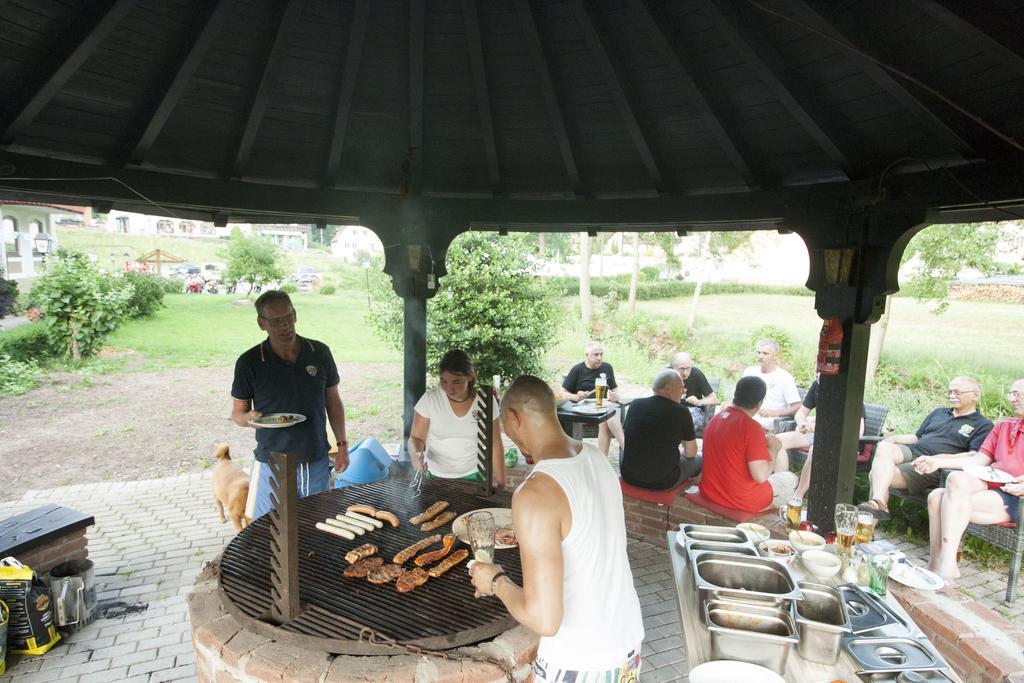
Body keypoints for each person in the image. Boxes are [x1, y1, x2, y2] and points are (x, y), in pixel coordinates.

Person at [470, 376, 644, 682]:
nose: (509, 435)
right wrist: (533, 529)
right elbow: (584, 526)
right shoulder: (595, 457)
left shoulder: (535, 492)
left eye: (506, 427)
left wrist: (493, 580)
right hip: (625, 650)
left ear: (514, 417)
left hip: (579, 661)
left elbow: (543, 619)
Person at [230, 290, 349, 519]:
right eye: (276, 321)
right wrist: (248, 419)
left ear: (295, 315)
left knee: (315, 523)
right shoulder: (250, 362)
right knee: (269, 526)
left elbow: (333, 401)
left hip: (315, 456)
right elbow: (237, 413)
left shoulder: (319, 352)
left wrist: (342, 445)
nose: (285, 326)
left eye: (288, 317)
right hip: (272, 460)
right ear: (261, 324)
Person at [926, 378, 1024, 582]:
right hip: (992, 482)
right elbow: (980, 460)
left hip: (1016, 494)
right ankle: (938, 565)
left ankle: (945, 565)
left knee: (938, 498)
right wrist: (938, 461)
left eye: (1017, 394)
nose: (1012, 399)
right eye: (1011, 394)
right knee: (953, 481)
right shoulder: (1004, 425)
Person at [859, 376, 993, 520]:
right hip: (913, 451)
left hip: (932, 465)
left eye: (957, 392)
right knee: (885, 447)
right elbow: (917, 437)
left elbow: (973, 455)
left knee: (876, 475)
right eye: (949, 392)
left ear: (975, 395)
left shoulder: (983, 425)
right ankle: (878, 501)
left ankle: (872, 519)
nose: (952, 396)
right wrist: (893, 439)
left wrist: (937, 460)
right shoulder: (939, 412)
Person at [700, 376, 798, 513]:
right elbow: (761, 476)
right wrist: (773, 449)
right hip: (742, 501)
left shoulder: (716, 419)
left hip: (711, 493)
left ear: (735, 395)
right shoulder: (752, 428)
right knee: (790, 478)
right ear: (759, 403)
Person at [408, 349, 504, 487]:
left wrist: (501, 483)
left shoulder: (485, 401)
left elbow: (495, 443)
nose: (449, 388)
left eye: (456, 382)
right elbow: (416, 438)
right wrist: (415, 454)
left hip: (474, 475)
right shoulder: (430, 399)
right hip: (435, 475)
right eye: (444, 381)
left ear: (470, 376)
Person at [775, 373, 865, 499]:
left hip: (839, 440)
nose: (818, 374)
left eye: (821, 371)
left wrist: (824, 428)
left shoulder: (849, 393)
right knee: (776, 441)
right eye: (816, 370)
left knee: (816, 449)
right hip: (816, 433)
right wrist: (803, 423)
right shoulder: (817, 385)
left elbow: (859, 431)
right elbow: (801, 412)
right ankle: (782, 486)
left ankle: (798, 496)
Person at [620, 369, 701, 490]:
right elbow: (691, 453)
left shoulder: (635, 405)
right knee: (700, 459)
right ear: (668, 388)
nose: (683, 393)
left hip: (629, 475)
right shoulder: (681, 412)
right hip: (663, 481)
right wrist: (680, 454)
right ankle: (691, 501)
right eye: (681, 388)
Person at [560, 341, 625, 456]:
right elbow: (562, 393)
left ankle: (604, 460)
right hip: (584, 409)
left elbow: (615, 390)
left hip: (603, 407)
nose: (599, 358)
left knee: (607, 416)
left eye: (601, 354)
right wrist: (575, 396)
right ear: (587, 355)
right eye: (596, 355)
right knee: (609, 412)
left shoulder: (607, 367)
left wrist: (616, 395)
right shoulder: (577, 370)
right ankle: (627, 448)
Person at [741, 339, 801, 431]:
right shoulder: (749, 372)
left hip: (769, 423)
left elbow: (797, 406)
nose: (760, 356)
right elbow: (738, 397)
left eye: (765, 353)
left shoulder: (785, 377)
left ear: (775, 356)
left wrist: (774, 413)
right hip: (746, 417)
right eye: (758, 352)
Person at [670, 351, 719, 430]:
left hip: (693, 411)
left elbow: (715, 399)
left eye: (688, 368)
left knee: (683, 422)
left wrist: (698, 401)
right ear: (673, 367)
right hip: (673, 410)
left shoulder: (696, 374)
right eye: (682, 369)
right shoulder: (667, 374)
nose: (685, 373)